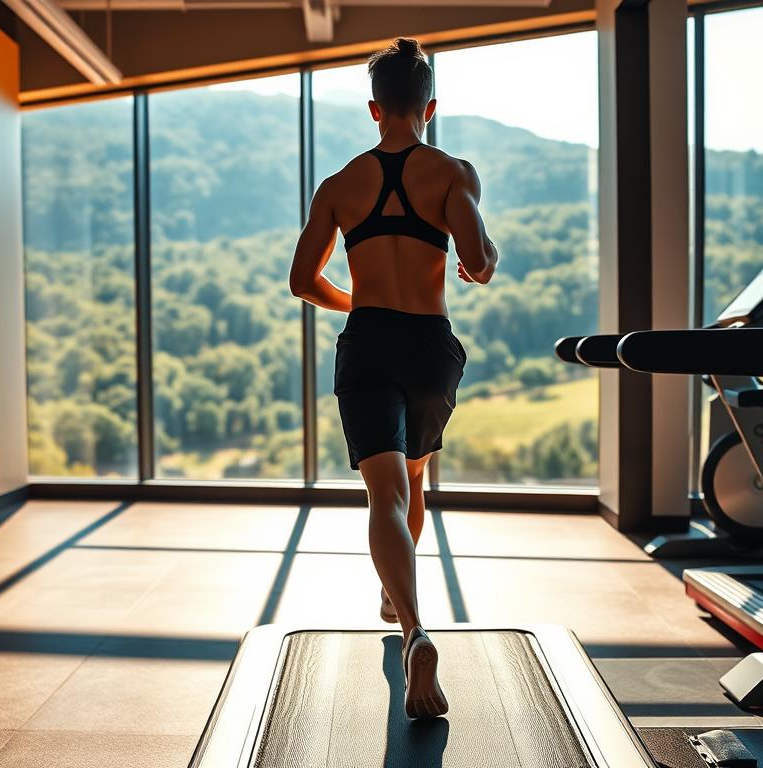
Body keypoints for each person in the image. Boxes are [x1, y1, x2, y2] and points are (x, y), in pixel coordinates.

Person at [288, 37, 498, 719]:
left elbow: (302, 280)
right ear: (429, 107)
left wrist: (360, 301)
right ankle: (398, 599)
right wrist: (476, 260)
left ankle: (411, 628)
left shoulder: (340, 184)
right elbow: (480, 259)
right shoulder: (452, 171)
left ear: (376, 108)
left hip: (371, 342)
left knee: (382, 495)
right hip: (430, 348)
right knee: (412, 482)